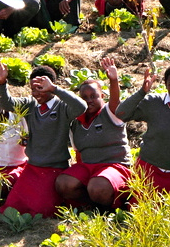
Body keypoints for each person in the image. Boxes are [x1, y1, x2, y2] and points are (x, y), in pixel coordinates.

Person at [0, 62, 87, 217]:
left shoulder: (62, 107)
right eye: (33, 89)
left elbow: (81, 107)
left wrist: (56, 90)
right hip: (33, 167)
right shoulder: (31, 105)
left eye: (41, 88)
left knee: (42, 211)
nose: (36, 93)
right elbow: (6, 104)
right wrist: (2, 82)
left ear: (51, 85)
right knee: (13, 208)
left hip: (55, 168)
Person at [55, 57, 131, 209]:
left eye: (93, 96)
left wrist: (114, 80)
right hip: (88, 166)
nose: (89, 100)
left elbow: (116, 101)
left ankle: (110, 208)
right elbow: (78, 154)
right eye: (84, 98)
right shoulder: (76, 122)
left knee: (97, 186)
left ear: (102, 96)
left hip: (114, 166)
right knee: (63, 183)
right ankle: (90, 205)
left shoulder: (111, 114)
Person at [116, 63, 170, 192]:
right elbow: (121, 114)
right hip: (149, 171)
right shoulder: (154, 102)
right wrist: (142, 92)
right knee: (140, 208)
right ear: (165, 85)